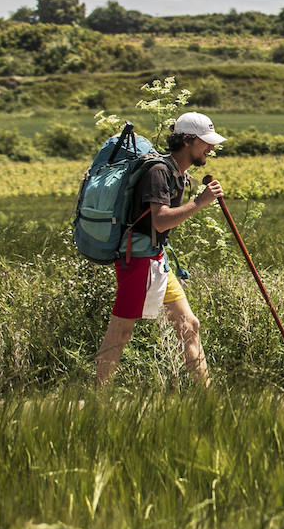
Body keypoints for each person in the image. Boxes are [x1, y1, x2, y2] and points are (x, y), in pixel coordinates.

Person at [95, 111, 225, 386]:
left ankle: (208, 398)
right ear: (188, 141)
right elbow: (161, 220)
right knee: (120, 332)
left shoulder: (178, 174)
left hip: (156, 259)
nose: (211, 148)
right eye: (206, 142)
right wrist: (199, 202)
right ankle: (98, 397)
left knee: (189, 325)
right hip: (139, 261)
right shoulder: (158, 172)